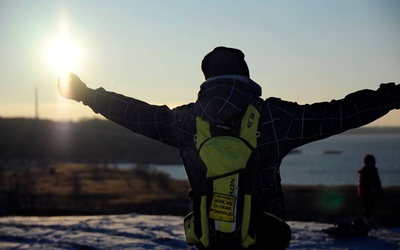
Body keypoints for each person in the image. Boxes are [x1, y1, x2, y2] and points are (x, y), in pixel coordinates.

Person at [58, 46, 400, 249]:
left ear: (207, 80)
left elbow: (134, 114)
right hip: (265, 238)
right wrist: (391, 96)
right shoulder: (274, 117)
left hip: (209, 241)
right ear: (246, 78)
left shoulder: (185, 121)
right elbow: (339, 114)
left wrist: (86, 94)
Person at [358, 154, 383, 227]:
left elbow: (377, 182)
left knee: (369, 208)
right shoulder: (370, 171)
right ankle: (368, 222)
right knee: (368, 208)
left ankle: (368, 222)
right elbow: (376, 182)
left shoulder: (365, 171)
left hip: (370, 192)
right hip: (369, 192)